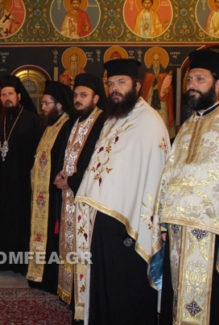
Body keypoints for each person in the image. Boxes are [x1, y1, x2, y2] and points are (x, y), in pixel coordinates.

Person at [74, 59, 169, 324]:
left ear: (137, 86)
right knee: (105, 284)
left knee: (126, 288)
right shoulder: (113, 118)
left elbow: (154, 175)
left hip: (131, 226)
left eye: (121, 82)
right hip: (104, 218)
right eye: (111, 83)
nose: (114, 88)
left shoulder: (149, 122)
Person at [158, 49, 219, 325]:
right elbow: (169, 175)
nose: (191, 85)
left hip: (217, 234)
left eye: (200, 79)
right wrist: (163, 222)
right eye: (189, 79)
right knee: (179, 296)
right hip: (178, 232)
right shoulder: (186, 128)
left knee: (215, 306)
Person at [51, 73, 106, 310]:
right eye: (76, 95)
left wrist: (72, 181)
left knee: (84, 246)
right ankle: (69, 292)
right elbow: (63, 154)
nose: (78, 99)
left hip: (86, 197)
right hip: (68, 195)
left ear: (96, 98)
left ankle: (82, 297)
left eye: (84, 95)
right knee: (68, 243)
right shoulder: (74, 121)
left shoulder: (103, 122)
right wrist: (59, 174)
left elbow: (98, 161)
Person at [0, 75, 43, 274]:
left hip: (24, 184)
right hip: (1, 184)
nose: (6, 98)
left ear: (18, 96)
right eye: (3, 95)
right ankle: (4, 262)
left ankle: (22, 264)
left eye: (10, 94)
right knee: (3, 223)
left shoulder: (33, 120)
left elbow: (42, 151)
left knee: (22, 223)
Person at [27, 80, 73, 292]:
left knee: (52, 237)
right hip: (42, 194)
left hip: (55, 194)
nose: (43, 107)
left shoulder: (67, 126)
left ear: (59, 105)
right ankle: (39, 275)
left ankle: (50, 279)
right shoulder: (51, 126)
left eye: (46, 103)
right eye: (42, 103)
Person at [142, 52, 174, 135]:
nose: (156, 62)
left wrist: (167, 90)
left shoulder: (164, 75)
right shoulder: (148, 75)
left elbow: (169, 88)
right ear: (152, 61)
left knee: (163, 124)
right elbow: (145, 90)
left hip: (162, 103)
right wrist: (152, 89)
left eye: (157, 60)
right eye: (154, 60)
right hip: (150, 103)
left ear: (160, 61)